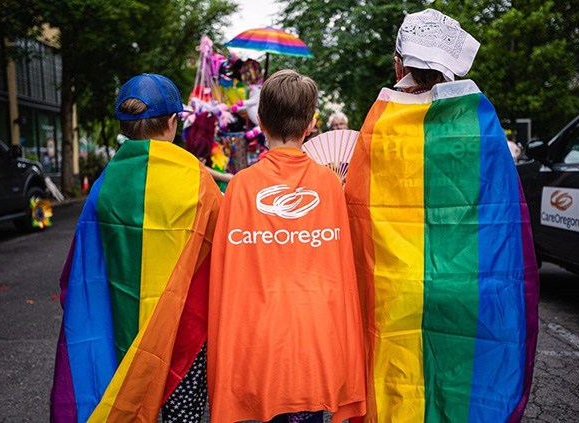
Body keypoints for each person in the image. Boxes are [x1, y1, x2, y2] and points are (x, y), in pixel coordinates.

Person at [344, 9, 539, 423]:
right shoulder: (479, 121)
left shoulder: (379, 126)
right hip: (471, 288)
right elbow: (504, 213)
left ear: (399, 62)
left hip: (397, 291)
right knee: (461, 391)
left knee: (399, 391)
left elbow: (358, 212)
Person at [50, 73, 221, 423]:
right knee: (181, 416)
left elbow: (82, 265)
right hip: (181, 330)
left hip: (121, 327)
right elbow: (219, 248)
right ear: (173, 121)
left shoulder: (104, 182)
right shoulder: (197, 177)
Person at [208, 69, 366, 423]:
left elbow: (226, 274)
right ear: (310, 124)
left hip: (259, 338)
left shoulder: (241, 187)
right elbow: (342, 269)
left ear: (260, 121)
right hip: (317, 336)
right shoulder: (329, 185)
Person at [184, 111, 233, 188]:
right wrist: (223, 176)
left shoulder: (210, 142)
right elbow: (199, 166)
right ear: (207, 127)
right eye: (215, 126)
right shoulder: (202, 142)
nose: (217, 129)